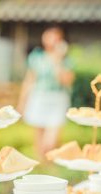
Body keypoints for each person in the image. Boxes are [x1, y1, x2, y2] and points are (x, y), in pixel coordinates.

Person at [18, 26, 75, 158]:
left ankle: (51, 162)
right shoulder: (37, 57)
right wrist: (22, 103)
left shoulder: (65, 60)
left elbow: (66, 81)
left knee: (51, 140)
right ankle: (43, 166)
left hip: (57, 98)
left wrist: (58, 60)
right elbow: (29, 81)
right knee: (39, 137)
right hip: (39, 97)